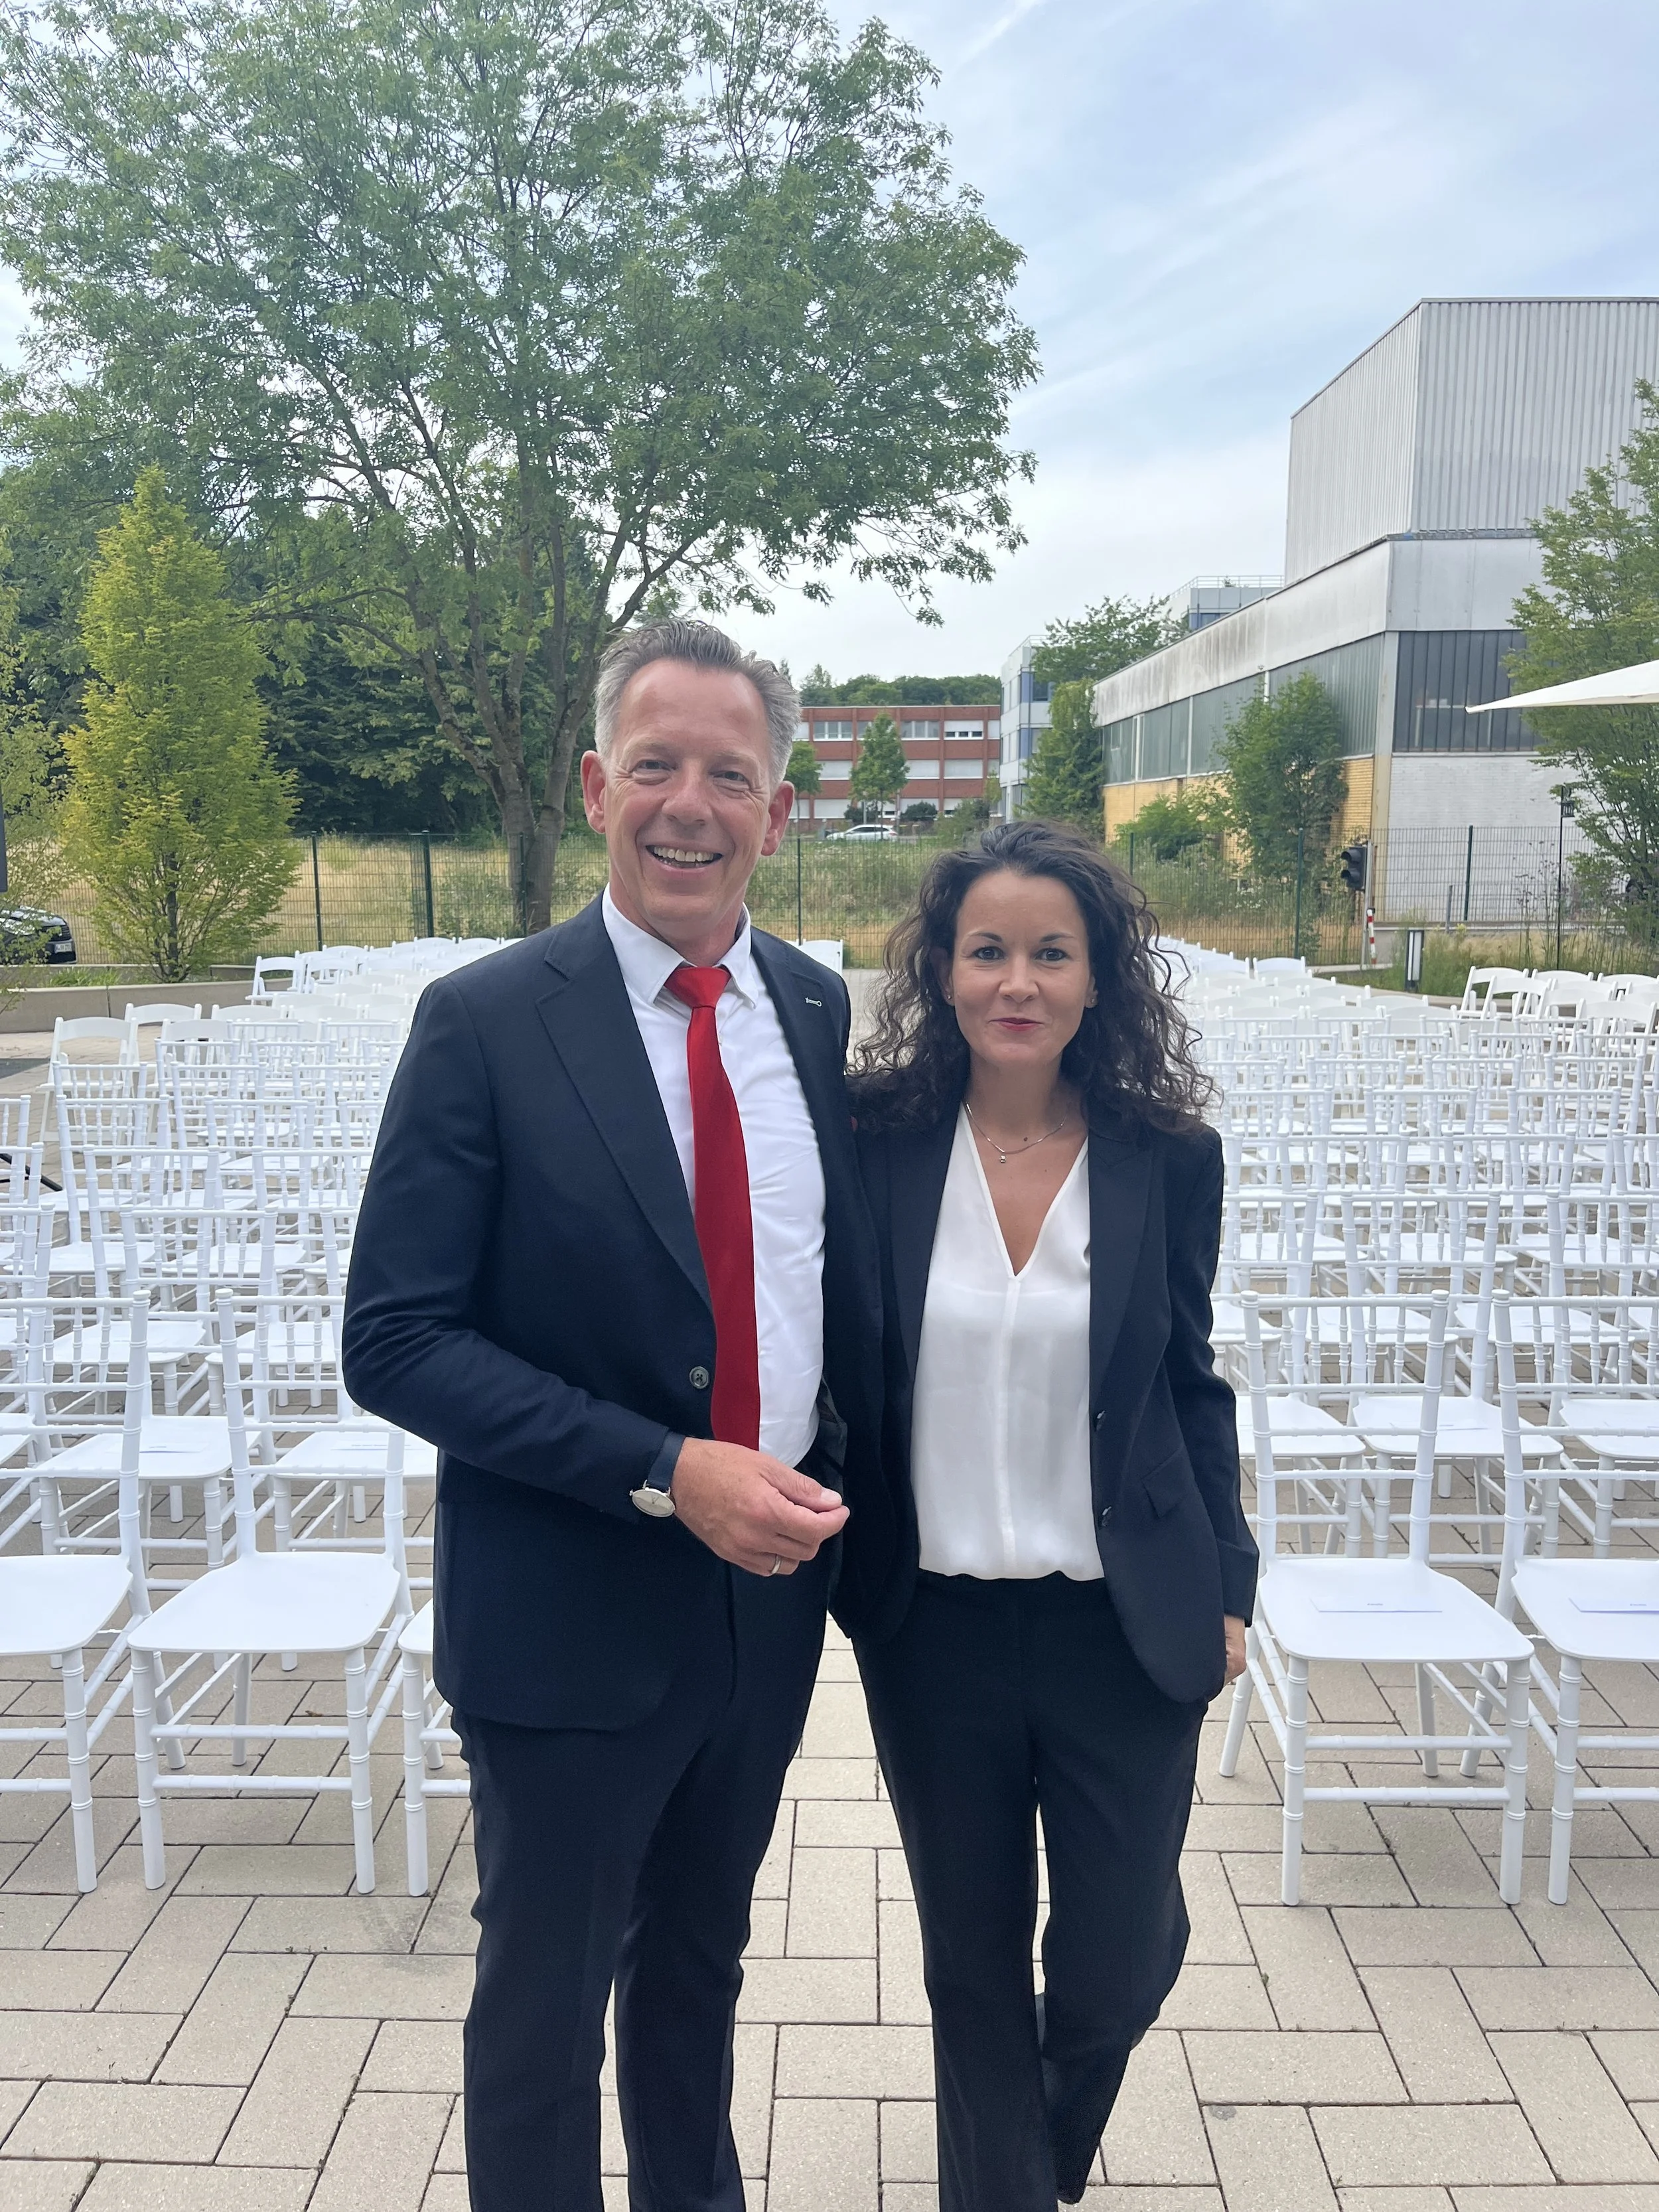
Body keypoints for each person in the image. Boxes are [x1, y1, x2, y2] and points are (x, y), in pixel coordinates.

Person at [341, 619, 881, 2212]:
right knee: (541, 2016)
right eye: (656, 765)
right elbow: (395, 1338)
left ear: (778, 813)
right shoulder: (487, 1020)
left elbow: (809, 1291)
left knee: (698, 1971)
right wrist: (659, 1470)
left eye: (730, 773)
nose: (689, 806)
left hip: (761, 1613)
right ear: (596, 785)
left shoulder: (811, 1009)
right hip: (565, 1618)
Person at [840, 820, 1256, 2211]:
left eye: (1049, 953)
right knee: (969, 1962)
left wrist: (1231, 1580)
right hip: (933, 1629)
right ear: (941, 969)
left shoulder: (1163, 1155)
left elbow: (1190, 1379)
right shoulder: (877, 1144)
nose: (1015, 980)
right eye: (985, 951)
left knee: (1112, 1957)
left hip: (1119, 1625)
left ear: (1097, 978)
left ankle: (1036, 2133)